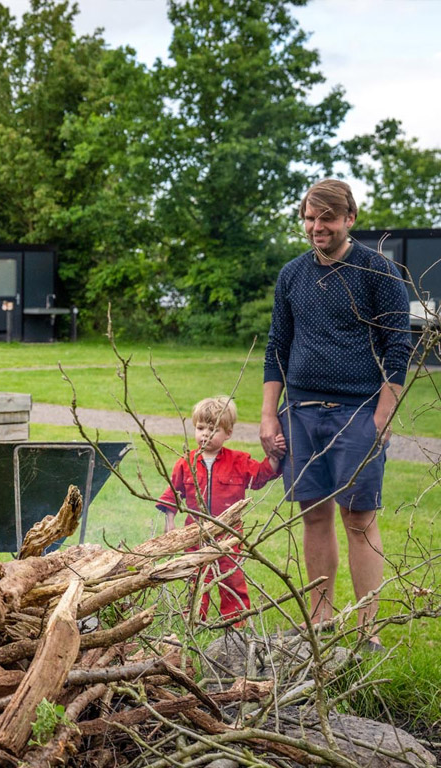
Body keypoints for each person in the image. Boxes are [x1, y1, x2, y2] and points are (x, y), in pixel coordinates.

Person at [260, 179, 412, 649]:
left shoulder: (379, 272)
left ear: (349, 219)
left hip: (358, 410)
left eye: (326, 218)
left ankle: (368, 632)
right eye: (309, 218)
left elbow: (398, 346)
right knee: (314, 516)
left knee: (360, 518)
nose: (316, 227)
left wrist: (384, 413)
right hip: (300, 412)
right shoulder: (292, 274)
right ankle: (321, 622)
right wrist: (269, 414)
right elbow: (276, 347)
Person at [157, 397, 282, 627]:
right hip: (195, 534)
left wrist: (275, 457)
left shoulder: (239, 461)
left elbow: (260, 476)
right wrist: (170, 519)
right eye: (200, 428)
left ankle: (235, 625)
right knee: (196, 578)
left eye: (213, 429)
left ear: (228, 433)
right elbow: (173, 492)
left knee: (231, 579)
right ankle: (194, 622)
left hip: (229, 535)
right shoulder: (186, 462)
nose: (205, 434)